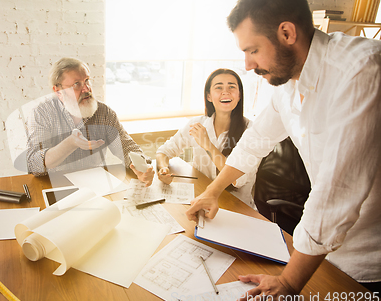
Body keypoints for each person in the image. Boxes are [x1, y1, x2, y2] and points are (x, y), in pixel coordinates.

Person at [186, 0, 381, 301]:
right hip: (320, 252)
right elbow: (256, 140)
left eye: (252, 50)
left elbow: (336, 191)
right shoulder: (288, 79)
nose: (247, 66)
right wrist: (212, 191)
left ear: (287, 34)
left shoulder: (360, 71)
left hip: (368, 263)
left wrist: (289, 281)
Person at [26, 57, 154, 186]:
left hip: (95, 186)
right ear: (58, 91)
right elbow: (33, 164)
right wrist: (70, 143)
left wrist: (142, 167)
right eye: (77, 84)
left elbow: (126, 148)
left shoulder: (104, 112)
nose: (86, 89)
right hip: (56, 186)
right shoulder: (42, 113)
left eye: (87, 80)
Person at [156, 68, 258, 208]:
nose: (225, 92)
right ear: (209, 96)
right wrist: (163, 169)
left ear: (239, 95)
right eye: (219, 87)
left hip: (236, 208)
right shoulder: (197, 124)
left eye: (231, 87)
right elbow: (164, 151)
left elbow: (238, 179)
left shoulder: (252, 131)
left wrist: (208, 145)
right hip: (200, 199)